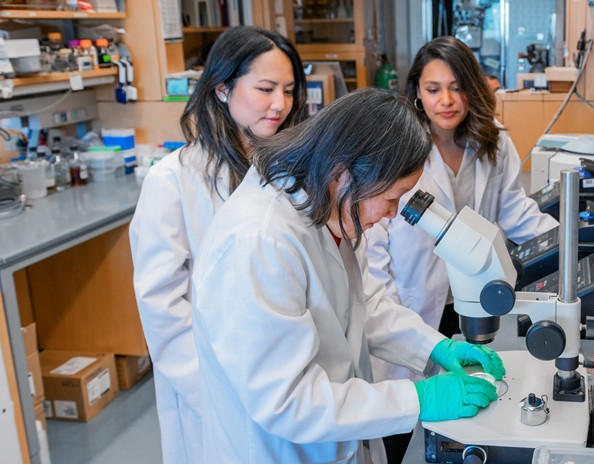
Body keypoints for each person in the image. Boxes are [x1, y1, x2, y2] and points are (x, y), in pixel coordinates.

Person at [191, 88, 505, 463]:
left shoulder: (329, 207)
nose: (392, 214)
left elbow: (363, 306)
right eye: (391, 197)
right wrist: (416, 399)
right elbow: (289, 401)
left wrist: (436, 347)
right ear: (344, 170)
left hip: (339, 441)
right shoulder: (259, 241)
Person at [362, 36, 559, 461]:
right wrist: (393, 320)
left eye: (457, 87)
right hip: (410, 307)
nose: (446, 100)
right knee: (406, 425)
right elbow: (374, 254)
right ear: (416, 91)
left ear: (474, 87)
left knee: (474, 410)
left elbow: (517, 212)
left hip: (472, 300)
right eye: (433, 89)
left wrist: (568, 244)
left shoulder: (493, 142)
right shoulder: (395, 151)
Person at [129, 26, 308, 464]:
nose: (280, 105)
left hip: (286, 378)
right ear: (222, 88)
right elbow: (161, 303)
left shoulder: (290, 170)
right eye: (265, 89)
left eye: (288, 90)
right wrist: (215, 389)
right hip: (208, 388)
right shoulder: (171, 180)